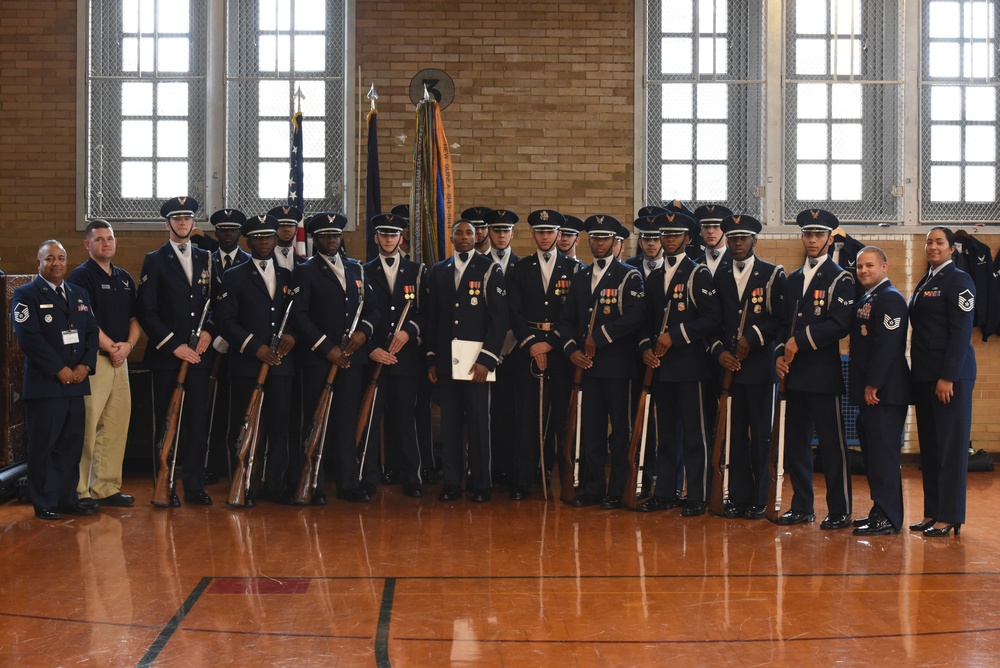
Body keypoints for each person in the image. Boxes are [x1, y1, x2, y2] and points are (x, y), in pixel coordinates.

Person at [636, 210, 721, 516]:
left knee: (695, 434)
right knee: (666, 434)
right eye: (664, 235)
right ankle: (666, 491)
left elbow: (713, 319)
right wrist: (646, 346)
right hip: (661, 367)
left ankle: (697, 495)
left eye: (675, 235)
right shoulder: (655, 275)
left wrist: (676, 335)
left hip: (690, 367)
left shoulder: (698, 273)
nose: (668, 240)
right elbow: (645, 320)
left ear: (687, 238)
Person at [774, 209, 855, 529]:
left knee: (833, 446)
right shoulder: (793, 279)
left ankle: (840, 509)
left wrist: (798, 342)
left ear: (830, 238)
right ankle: (802, 506)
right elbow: (782, 324)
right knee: (796, 445)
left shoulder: (841, 277)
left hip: (822, 375)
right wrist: (781, 352)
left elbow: (840, 325)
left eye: (818, 235)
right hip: (793, 375)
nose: (812, 240)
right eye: (808, 234)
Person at [558, 215, 644, 509]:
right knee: (591, 430)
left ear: (615, 242)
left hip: (618, 367)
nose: (599, 243)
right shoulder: (580, 275)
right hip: (586, 366)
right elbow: (567, 319)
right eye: (595, 238)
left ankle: (617, 490)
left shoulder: (629, 275)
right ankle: (593, 487)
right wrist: (572, 350)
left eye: (604, 238)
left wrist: (601, 336)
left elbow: (635, 316)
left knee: (620, 431)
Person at [293, 212, 379, 503]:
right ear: (316, 239)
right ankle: (314, 482)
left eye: (336, 235)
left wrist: (364, 334)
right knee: (318, 420)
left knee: (345, 420)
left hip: (353, 359)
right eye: (326, 236)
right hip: (320, 359)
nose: (331, 240)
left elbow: (373, 309)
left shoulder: (357, 269)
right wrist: (325, 346)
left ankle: (348, 483)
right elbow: (299, 315)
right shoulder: (305, 270)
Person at [137, 196, 217, 506]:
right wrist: (174, 346)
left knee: (197, 423)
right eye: (176, 218)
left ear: (194, 223)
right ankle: (164, 484)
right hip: (168, 358)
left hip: (198, 356)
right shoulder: (154, 260)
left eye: (187, 218)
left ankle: (194, 485)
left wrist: (210, 332)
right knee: (167, 423)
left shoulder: (206, 258)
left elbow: (217, 303)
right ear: (167, 224)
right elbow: (147, 311)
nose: (182, 223)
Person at [12, 240, 99, 520]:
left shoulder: (78, 293)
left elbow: (91, 333)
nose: (56, 263)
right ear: (39, 263)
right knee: (44, 447)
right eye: (49, 258)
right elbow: (29, 339)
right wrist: (58, 369)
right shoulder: (25, 294)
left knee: (71, 445)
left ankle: (67, 498)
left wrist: (85, 365)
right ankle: (45, 502)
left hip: (76, 384)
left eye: (61, 258)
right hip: (46, 386)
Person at [214, 213, 297, 504]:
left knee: (279, 426)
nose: (264, 242)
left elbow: (297, 314)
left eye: (269, 236)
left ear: (277, 239)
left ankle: (274, 485)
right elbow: (225, 320)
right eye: (258, 237)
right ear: (248, 242)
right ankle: (243, 483)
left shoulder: (289, 275)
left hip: (282, 365)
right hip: (247, 365)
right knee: (244, 425)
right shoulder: (233, 276)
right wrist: (253, 346)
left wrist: (293, 335)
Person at [708, 214, 785, 519]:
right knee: (735, 435)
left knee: (761, 437)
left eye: (743, 238)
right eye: (733, 238)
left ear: (755, 240)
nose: (737, 244)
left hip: (760, 369)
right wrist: (717, 353)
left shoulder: (771, 274)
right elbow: (712, 320)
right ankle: (739, 496)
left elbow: (780, 320)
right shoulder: (720, 275)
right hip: (729, 369)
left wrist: (754, 337)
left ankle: (760, 497)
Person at [426, 219, 509, 503]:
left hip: (477, 363)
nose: (463, 237)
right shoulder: (438, 271)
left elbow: (499, 320)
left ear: (477, 237)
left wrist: (488, 359)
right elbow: (433, 319)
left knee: (478, 423)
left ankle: (481, 484)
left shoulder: (489, 269)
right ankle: (451, 482)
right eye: (458, 233)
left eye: (469, 233)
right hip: (448, 363)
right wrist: (432, 359)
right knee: (449, 424)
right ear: (451, 238)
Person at [505, 209, 578, 500]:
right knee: (528, 418)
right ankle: (523, 479)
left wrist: (551, 343)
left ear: (559, 235)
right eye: (540, 231)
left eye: (550, 232)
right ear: (533, 235)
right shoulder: (521, 269)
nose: (545, 236)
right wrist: (532, 343)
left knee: (562, 417)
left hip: (560, 352)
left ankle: (567, 479)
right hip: (528, 350)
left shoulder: (574, 270)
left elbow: (575, 314)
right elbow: (514, 311)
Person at [909, 227, 976, 538]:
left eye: (939, 242)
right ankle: (932, 511)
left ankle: (950, 515)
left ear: (952, 249)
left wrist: (948, 376)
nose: (932, 247)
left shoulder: (959, 280)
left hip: (951, 378)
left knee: (950, 448)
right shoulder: (928, 280)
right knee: (932, 450)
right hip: (925, 376)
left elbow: (961, 333)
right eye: (929, 242)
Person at [68, 220, 139, 509]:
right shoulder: (80, 277)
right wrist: (111, 347)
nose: (105, 243)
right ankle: (81, 490)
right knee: (88, 426)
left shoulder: (124, 278)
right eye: (99, 239)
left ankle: (106, 487)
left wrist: (129, 346)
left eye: (109, 238)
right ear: (88, 244)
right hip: (95, 361)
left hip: (120, 361)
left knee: (115, 426)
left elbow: (136, 318)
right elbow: (86, 321)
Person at [360, 212, 427, 498]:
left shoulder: (418, 271)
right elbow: (356, 315)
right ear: (376, 238)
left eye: (394, 235)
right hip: (374, 358)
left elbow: (427, 313)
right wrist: (369, 348)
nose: (389, 239)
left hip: (405, 359)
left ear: (401, 238)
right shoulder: (362, 271)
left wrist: (409, 332)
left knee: (405, 419)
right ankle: (368, 476)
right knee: (371, 420)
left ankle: (412, 476)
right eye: (384, 235)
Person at [849, 246, 910, 535]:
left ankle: (889, 516)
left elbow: (887, 346)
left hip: (884, 392)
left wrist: (873, 384)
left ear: (884, 267)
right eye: (860, 266)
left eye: (869, 265)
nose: (863, 271)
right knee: (873, 455)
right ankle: (879, 510)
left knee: (884, 457)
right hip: (870, 392)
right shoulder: (869, 297)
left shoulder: (891, 299)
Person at [205, 208, 250, 484]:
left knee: (239, 408)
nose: (228, 234)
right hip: (209, 348)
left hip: (241, 347)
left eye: (233, 229)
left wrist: (232, 336)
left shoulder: (249, 261)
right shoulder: (204, 262)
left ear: (240, 233)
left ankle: (238, 464)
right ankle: (212, 464)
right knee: (213, 408)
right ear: (216, 233)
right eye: (223, 230)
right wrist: (214, 333)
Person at [485, 208, 520, 487]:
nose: (500, 235)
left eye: (505, 230)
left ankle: (510, 466)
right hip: (484, 350)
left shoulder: (523, 265)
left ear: (512, 234)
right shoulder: (477, 262)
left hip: (516, 351)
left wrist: (511, 337)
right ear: (488, 232)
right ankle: (487, 468)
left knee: (512, 411)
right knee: (486, 411)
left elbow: (523, 307)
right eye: (496, 230)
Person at [694, 204, 734, 278]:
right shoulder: (694, 265)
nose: (710, 231)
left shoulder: (735, 263)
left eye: (716, 226)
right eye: (706, 227)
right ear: (700, 232)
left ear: (725, 231)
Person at [269, 205, 307, 273]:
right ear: (274, 230)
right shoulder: (265, 261)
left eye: (290, 225)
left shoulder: (304, 263)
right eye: (282, 225)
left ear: (296, 231)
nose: (286, 229)